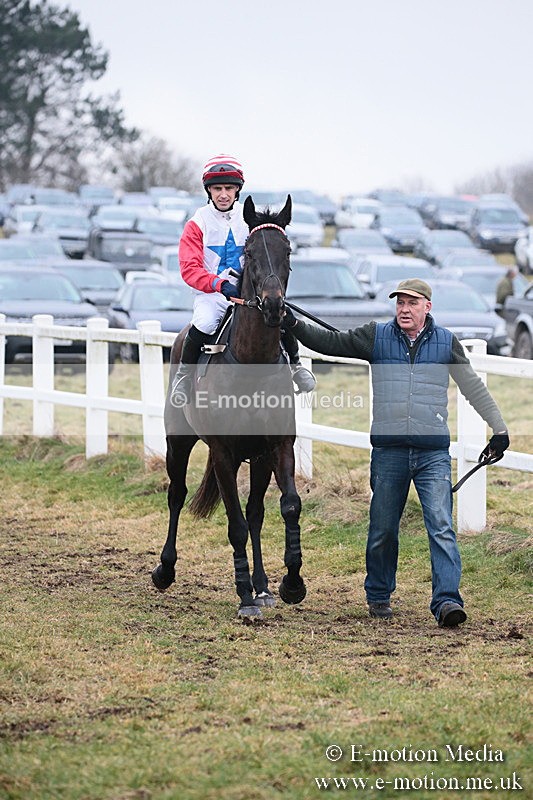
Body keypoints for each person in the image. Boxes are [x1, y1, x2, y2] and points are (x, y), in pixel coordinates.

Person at [283, 278, 510, 627]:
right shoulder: (376, 337)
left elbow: (473, 387)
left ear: (427, 307)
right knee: (383, 529)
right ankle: (378, 594)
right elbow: (330, 342)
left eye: (412, 303)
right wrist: (293, 324)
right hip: (389, 452)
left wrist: (499, 428)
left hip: (432, 453)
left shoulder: (446, 342)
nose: (404, 309)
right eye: (400, 303)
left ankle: (447, 602)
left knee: (441, 527)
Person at [169, 154, 316, 406]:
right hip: (213, 295)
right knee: (204, 322)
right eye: (217, 189)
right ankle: (183, 377)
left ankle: (295, 366)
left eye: (229, 188)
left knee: (279, 315)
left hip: (249, 294)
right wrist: (218, 284)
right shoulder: (197, 223)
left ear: (237, 190)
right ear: (208, 190)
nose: (223, 194)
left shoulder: (249, 219)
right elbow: (189, 268)